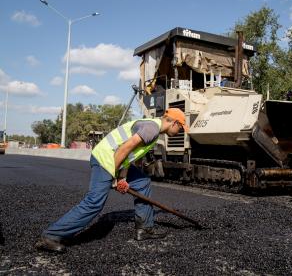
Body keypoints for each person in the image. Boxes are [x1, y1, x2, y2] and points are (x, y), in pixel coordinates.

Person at [35, 108, 189, 253]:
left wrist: (123, 177)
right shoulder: (152, 129)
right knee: (94, 202)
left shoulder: (152, 128)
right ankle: (50, 236)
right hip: (105, 160)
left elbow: (129, 156)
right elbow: (123, 149)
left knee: (142, 182)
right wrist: (115, 177)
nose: (180, 131)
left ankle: (145, 229)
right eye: (180, 128)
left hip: (113, 159)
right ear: (174, 122)